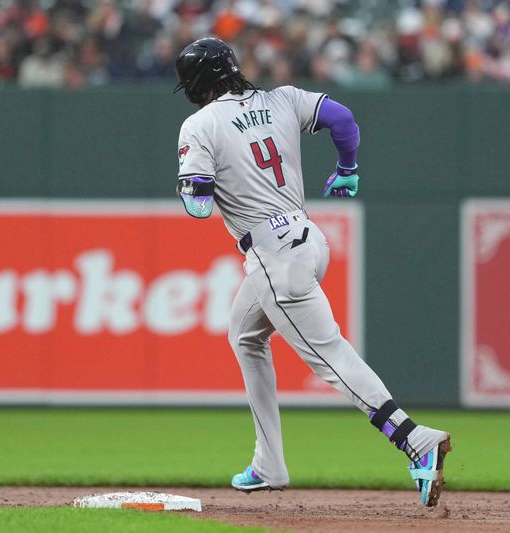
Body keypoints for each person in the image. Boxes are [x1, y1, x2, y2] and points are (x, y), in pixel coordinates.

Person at [173, 38, 451, 507]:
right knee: (244, 336)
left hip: (272, 255)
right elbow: (341, 118)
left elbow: (198, 206)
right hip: (308, 238)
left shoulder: (199, 124)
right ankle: (268, 464)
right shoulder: (282, 99)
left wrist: (199, 182)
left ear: (195, 84)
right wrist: (347, 167)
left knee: (331, 357)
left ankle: (413, 439)